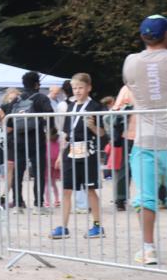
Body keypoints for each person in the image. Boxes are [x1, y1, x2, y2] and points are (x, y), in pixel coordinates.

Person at [123, 14, 167, 266]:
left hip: (145, 138)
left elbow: (131, 86)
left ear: (143, 36)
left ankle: (148, 248)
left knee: (146, 195)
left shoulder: (130, 62)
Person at [50, 73, 106, 239]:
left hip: (88, 151)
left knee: (90, 189)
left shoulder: (95, 107)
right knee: (66, 189)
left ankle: (97, 226)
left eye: (81, 87)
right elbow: (65, 133)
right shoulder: (68, 105)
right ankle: (63, 226)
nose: (78, 91)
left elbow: (103, 133)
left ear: (89, 88)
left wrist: (93, 127)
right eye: (75, 88)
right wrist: (61, 155)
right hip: (70, 151)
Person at [9, 71, 54, 214]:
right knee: (38, 171)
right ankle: (38, 205)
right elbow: (51, 117)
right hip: (37, 139)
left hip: (19, 139)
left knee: (18, 172)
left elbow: (10, 120)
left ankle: (18, 204)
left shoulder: (16, 99)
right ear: (37, 84)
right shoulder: (41, 98)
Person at [46, 127, 61, 208]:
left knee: (48, 184)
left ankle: (49, 201)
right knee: (52, 183)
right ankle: (56, 200)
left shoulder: (47, 143)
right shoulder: (57, 143)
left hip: (51, 164)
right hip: (51, 164)